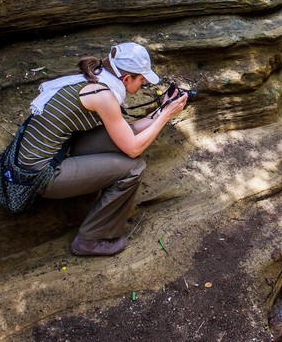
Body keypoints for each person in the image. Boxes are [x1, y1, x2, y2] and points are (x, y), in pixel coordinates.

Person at [17, 42, 187, 256]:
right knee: (134, 167)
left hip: (50, 154)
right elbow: (134, 149)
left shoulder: (95, 78)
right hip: (39, 175)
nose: (142, 86)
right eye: (142, 81)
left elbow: (127, 131)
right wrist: (165, 116)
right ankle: (90, 240)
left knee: (120, 138)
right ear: (126, 79)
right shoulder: (104, 96)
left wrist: (162, 109)